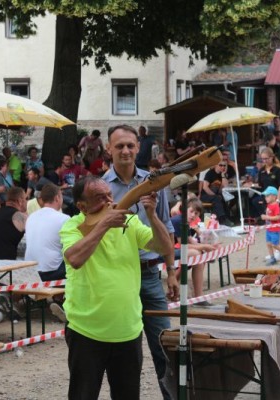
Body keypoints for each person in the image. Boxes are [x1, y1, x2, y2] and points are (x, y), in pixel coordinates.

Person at [60, 174, 173, 400]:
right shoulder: (72, 225)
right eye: (99, 198)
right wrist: (104, 225)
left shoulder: (129, 222)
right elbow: (75, 258)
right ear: (82, 206)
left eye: (109, 195)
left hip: (127, 331)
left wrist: (151, 214)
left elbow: (163, 246)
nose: (109, 201)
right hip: (86, 331)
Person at [101, 124, 178, 400]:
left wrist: (171, 272)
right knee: (124, 351)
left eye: (130, 145)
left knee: (165, 348)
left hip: (149, 275)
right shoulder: (101, 188)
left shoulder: (154, 182)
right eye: (119, 145)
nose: (125, 150)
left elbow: (167, 228)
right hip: (118, 278)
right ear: (108, 149)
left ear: (138, 148)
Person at [24, 183, 69, 321]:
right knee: (75, 261)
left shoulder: (31, 217)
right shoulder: (64, 218)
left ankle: (56, 299)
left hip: (30, 271)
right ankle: (63, 302)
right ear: (57, 198)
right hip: (51, 272)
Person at [170, 198, 217, 303]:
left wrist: (208, 246)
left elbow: (191, 242)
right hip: (165, 250)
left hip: (172, 249)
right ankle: (197, 295)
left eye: (196, 213)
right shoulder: (178, 221)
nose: (193, 215)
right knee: (196, 254)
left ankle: (195, 293)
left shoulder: (185, 222)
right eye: (191, 212)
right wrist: (204, 247)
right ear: (185, 209)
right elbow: (184, 245)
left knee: (199, 254)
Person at [250, 147, 280, 219]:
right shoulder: (261, 171)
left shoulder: (278, 170)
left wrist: (278, 200)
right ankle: (261, 217)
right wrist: (251, 185)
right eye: (263, 159)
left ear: (272, 157)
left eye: (266, 158)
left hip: (275, 196)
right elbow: (260, 185)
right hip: (265, 196)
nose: (264, 161)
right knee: (254, 201)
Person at [261, 186, 280, 266]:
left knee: (275, 244)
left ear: (274, 196)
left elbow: (278, 217)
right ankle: (272, 258)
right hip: (269, 228)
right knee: (268, 244)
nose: (266, 198)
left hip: (275, 229)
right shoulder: (269, 205)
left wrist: (266, 217)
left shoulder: (275, 206)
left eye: (267, 196)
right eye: (265, 196)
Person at [199, 162, 232, 226]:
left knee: (222, 198)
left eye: (224, 165)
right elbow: (205, 187)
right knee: (217, 198)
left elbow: (224, 187)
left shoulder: (222, 175)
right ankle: (222, 219)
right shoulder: (210, 173)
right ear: (216, 165)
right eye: (220, 165)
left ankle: (225, 218)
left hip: (215, 197)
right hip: (205, 196)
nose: (223, 167)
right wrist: (214, 195)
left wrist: (223, 175)